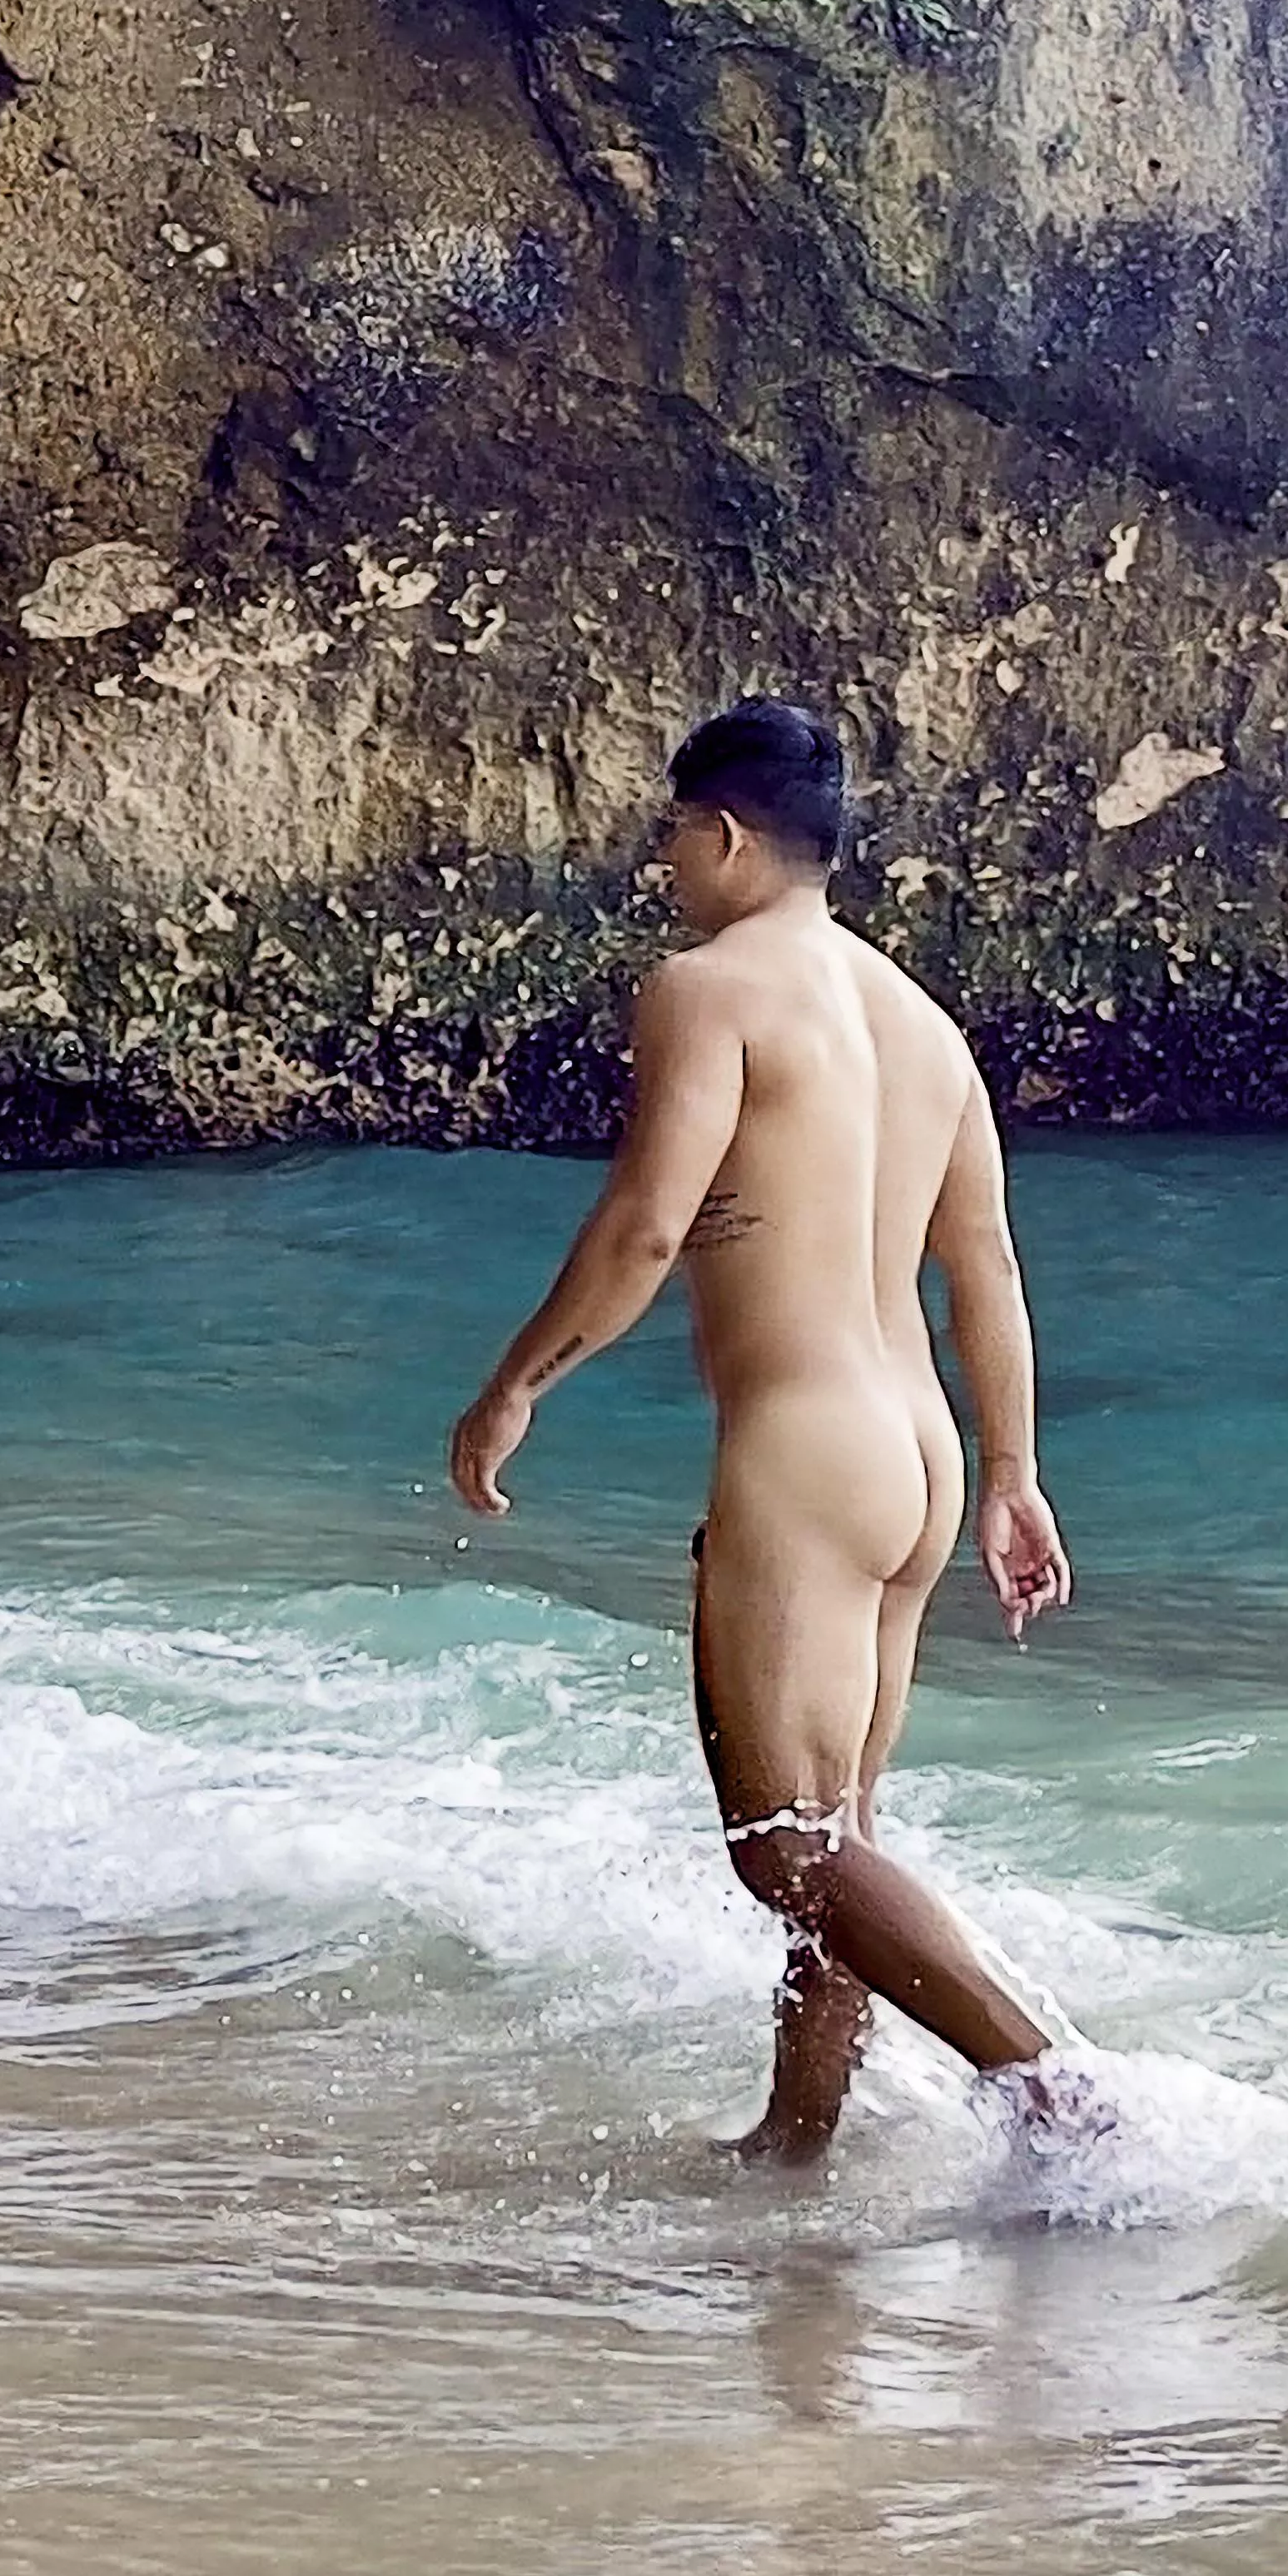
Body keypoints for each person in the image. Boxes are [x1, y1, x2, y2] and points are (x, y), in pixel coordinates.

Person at [447, 697, 1086, 2166]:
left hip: (805, 1449)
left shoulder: (708, 987)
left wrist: (515, 1386)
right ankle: (796, 2138)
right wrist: (1010, 1475)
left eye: (670, 832)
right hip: (917, 1453)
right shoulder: (921, 1022)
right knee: (838, 1834)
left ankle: (1058, 2093)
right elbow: (982, 1266)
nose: (663, 863)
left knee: (785, 1849)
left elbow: (647, 1222)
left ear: (723, 831)